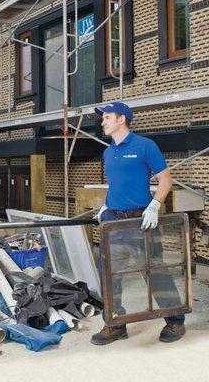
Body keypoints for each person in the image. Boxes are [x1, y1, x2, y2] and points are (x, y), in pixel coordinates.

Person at [91, 102, 185, 345]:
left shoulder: (145, 146)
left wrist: (154, 205)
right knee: (110, 273)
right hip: (113, 221)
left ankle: (175, 321)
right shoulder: (108, 152)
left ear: (122, 119)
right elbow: (117, 184)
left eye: (107, 117)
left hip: (140, 219)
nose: (103, 122)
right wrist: (106, 205)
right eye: (103, 118)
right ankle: (115, 323)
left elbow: (166, 180)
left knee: (153, 270)